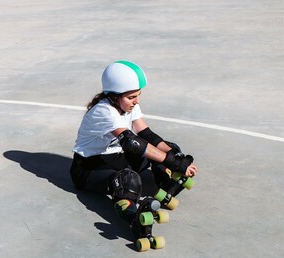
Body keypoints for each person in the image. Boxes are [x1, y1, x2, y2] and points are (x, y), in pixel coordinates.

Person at [70, 60, 198, 226]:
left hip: (116, 157)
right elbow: (131, 142)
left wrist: (177, 157)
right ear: (114, 96)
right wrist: (172, 162)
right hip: (89, 168)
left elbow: (147, 135)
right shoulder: (104, 111)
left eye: (138, 95)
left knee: (170, 148)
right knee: (129, 179)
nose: (136, 101)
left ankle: (166, 187)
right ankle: (133, 217)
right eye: (131, 97)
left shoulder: (128, 105)